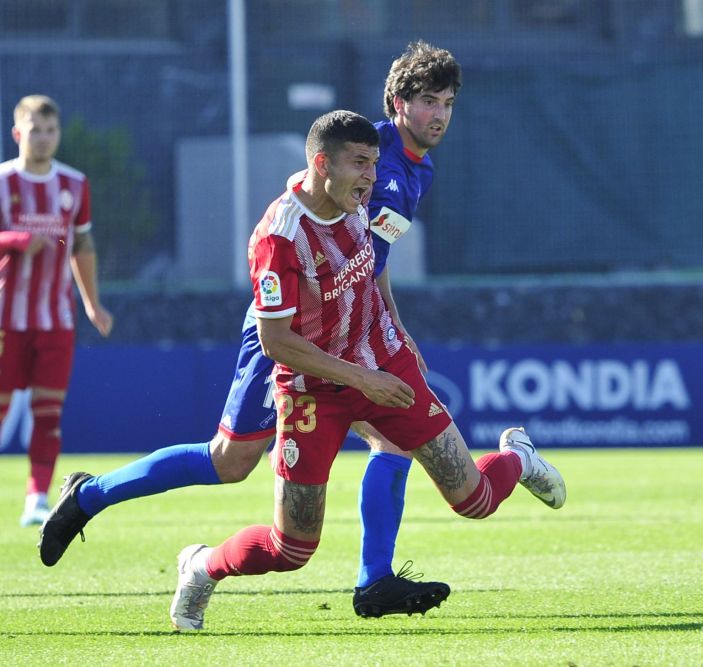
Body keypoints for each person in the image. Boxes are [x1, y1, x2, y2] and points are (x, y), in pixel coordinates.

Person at [40, 41, 462, 618]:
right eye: (427, 101)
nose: (438, 113)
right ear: (396, 104)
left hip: (350, 330)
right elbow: (314, 196)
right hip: (294, 332)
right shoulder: (371, 159)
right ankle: (90, 497)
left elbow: (374, 259)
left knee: (392, 439)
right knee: (229, 462)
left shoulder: (419, 168)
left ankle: (375, 580)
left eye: (448, 102)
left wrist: (392, 328)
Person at [169, 109, 565, 631]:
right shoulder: (278, 237)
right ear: (320, 164)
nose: (371, 178)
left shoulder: (365, 201)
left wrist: (398, 334)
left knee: (476, 500)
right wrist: (361, 379)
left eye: (375, 164)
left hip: (385, 361)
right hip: (312, 389)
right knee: (291, 548)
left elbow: (376, 266)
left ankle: (518, 455)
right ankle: (200, 567)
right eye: (360, 164)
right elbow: (274, 340)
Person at [0, 95, 113, 527]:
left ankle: (36, 500)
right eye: (35, 131)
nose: (43, 139)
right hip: (6, 320)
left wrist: (91, 303)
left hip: (55, 321)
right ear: (17, 134)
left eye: (50, 130)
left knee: (48, 413)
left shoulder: (73, 183)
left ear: (58, 134)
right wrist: (16, 240)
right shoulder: (4, 181)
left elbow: (81, 244)